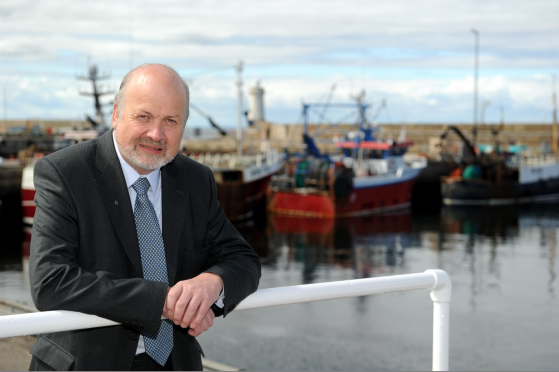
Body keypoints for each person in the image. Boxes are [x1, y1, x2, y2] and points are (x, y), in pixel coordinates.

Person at [28, 63, 261, 371]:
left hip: (176, 363)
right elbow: (50, 280)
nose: (156, 134)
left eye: (171, 121)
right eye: (144, 116)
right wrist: (162, 302)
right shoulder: (65, 173)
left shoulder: (196, 180)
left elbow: (243, 258)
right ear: (116, 114)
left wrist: (211, 283)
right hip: (87, 363)